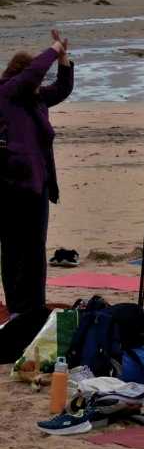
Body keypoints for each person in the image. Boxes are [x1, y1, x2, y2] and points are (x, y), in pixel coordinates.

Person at [1, 30, 74, 316]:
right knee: (14, 251)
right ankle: (17, 308)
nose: (39, 85)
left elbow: (61, 89)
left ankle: (35, 307)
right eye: (34, 80)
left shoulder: (35, 99)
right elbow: (32, 76)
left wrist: (64, 60)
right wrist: (52, 50)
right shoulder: (6, 93)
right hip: (9, 187)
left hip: (38, 186)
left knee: (35, 250)